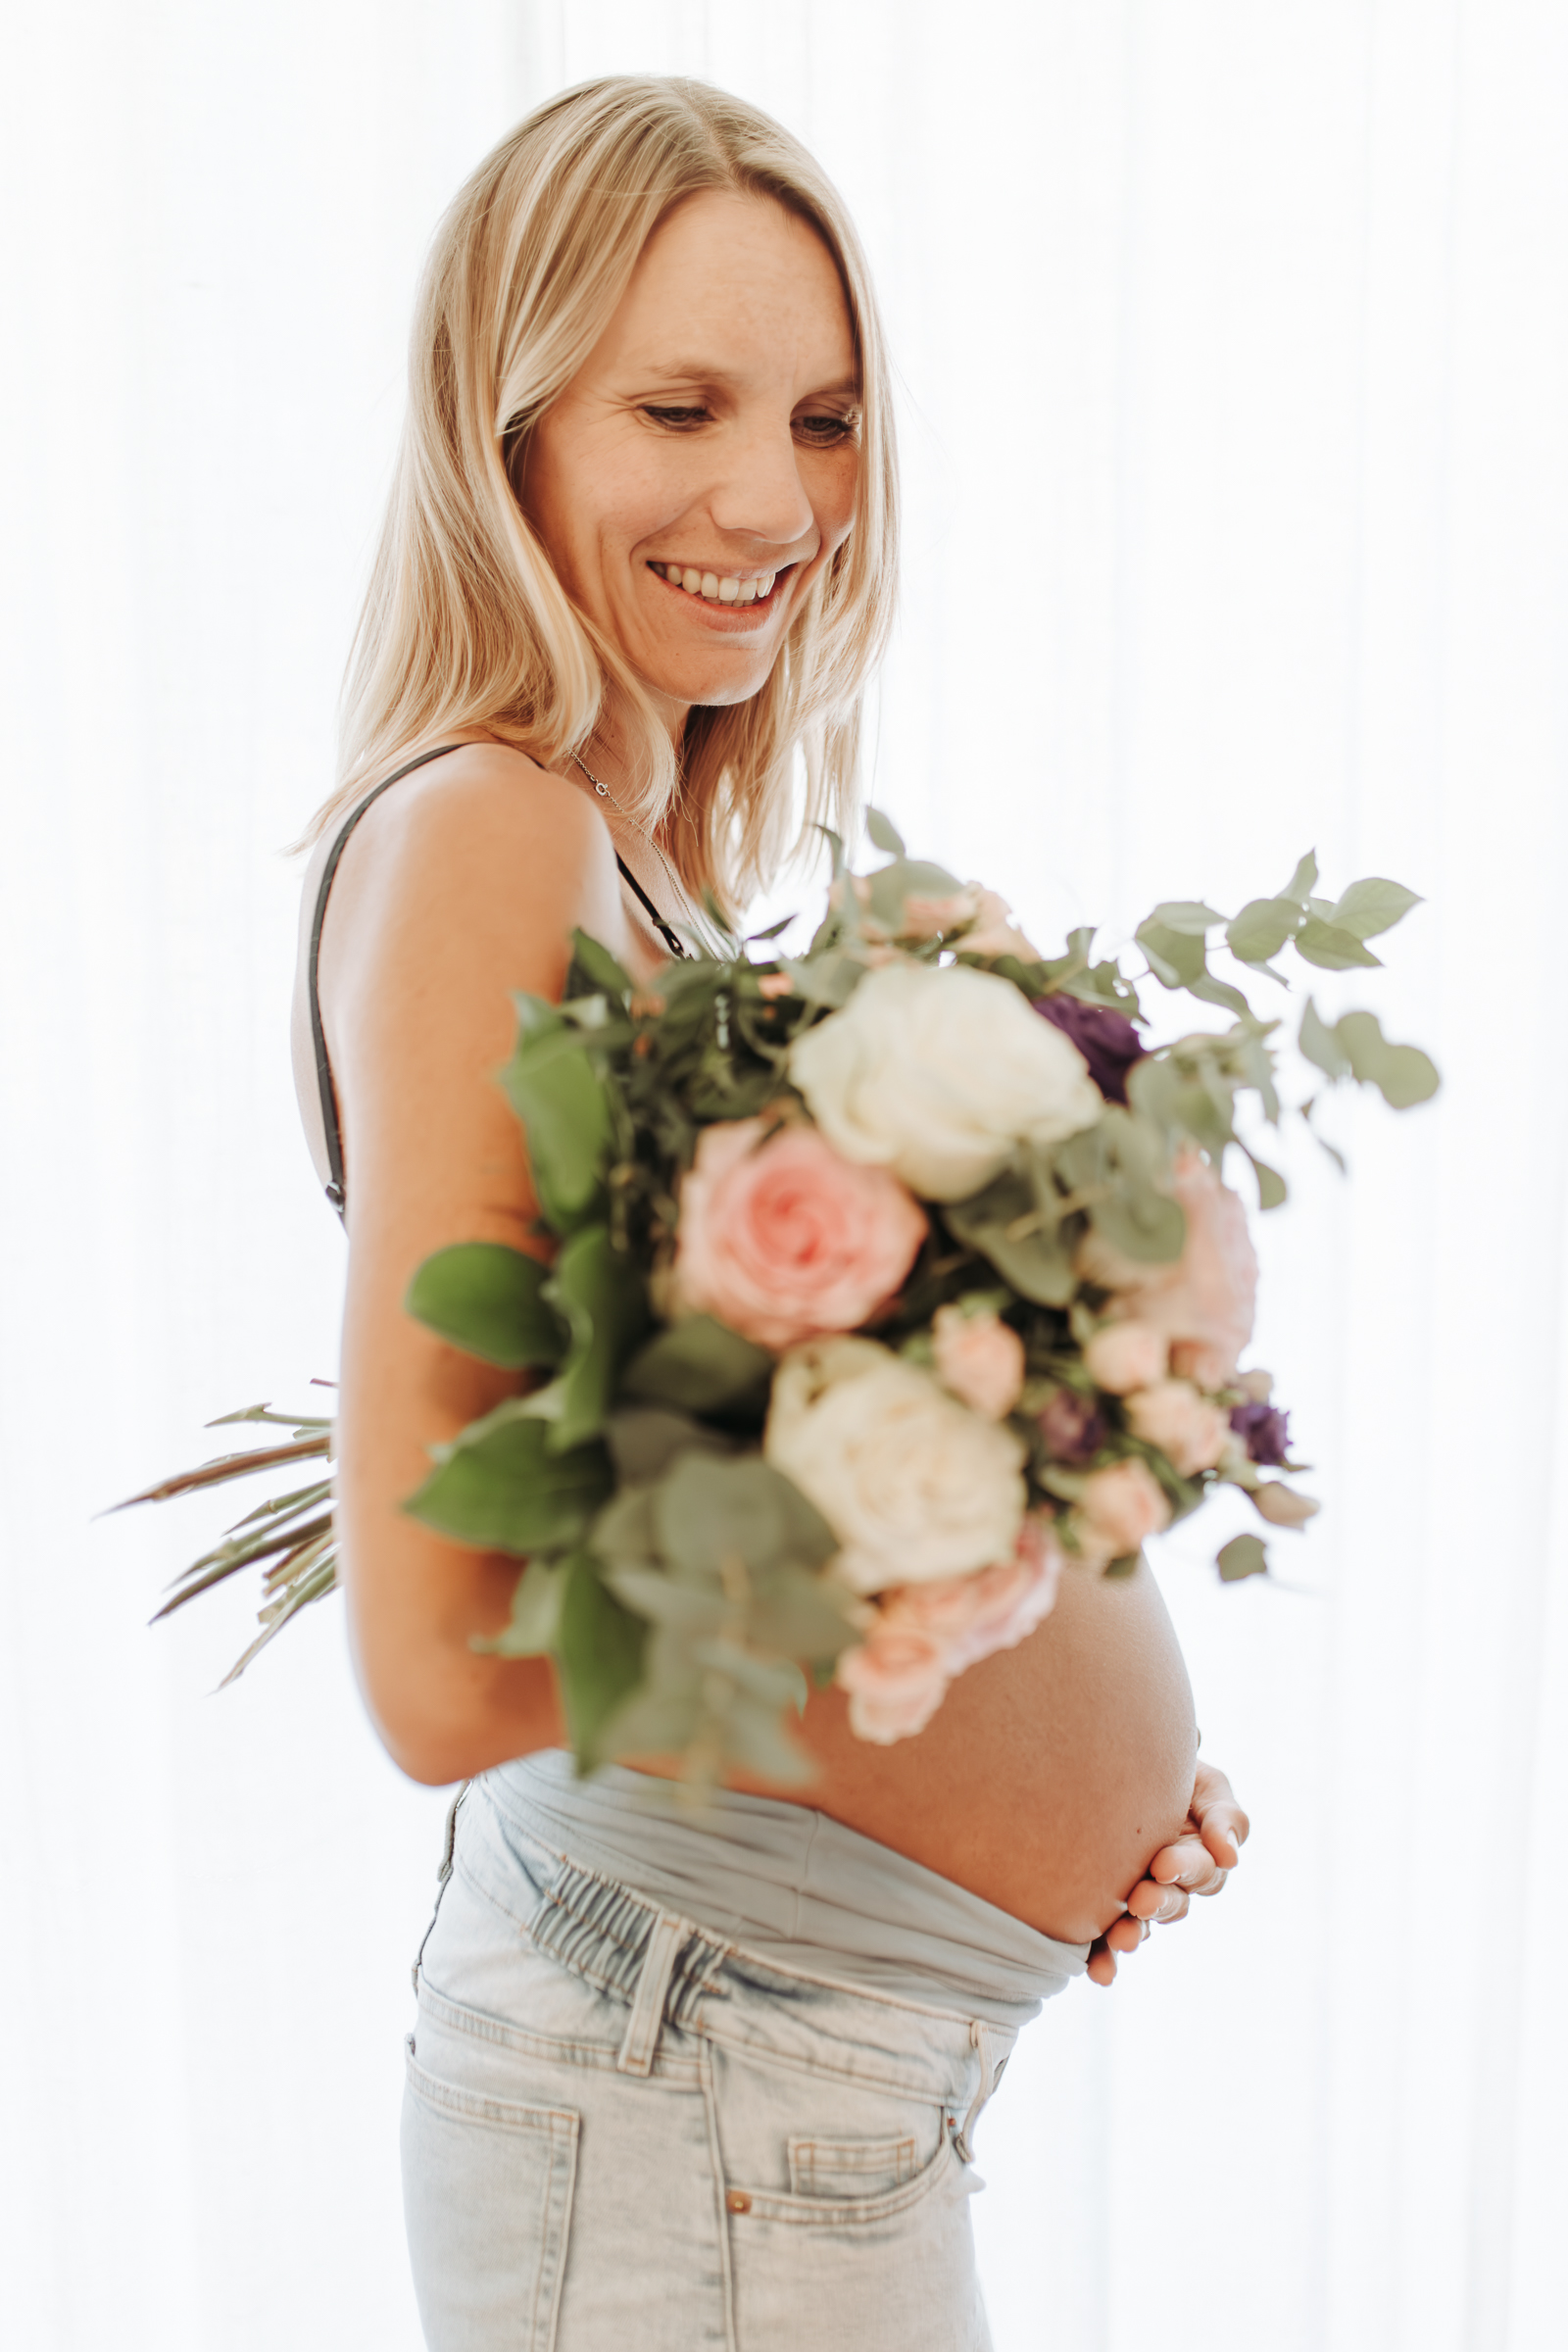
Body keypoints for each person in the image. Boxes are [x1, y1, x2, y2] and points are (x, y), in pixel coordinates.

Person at [291, 75, 1250, 2352]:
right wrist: (952, 1606)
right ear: (500, 427)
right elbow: (436, 1668)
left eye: (821, 416)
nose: (769, 496)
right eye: (679, 406)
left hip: (748, 2068)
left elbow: (679, 1510)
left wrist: (1049, 1731)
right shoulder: (488, 831)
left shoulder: (615, 855)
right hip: (689, 2082)